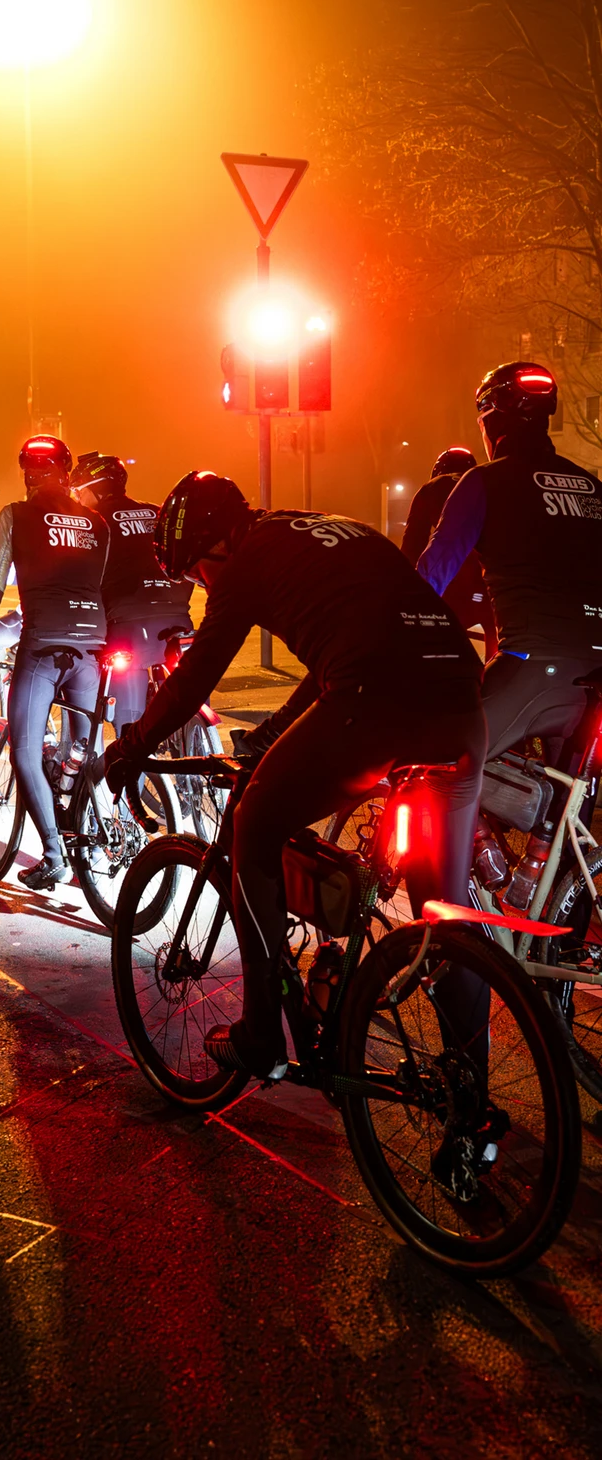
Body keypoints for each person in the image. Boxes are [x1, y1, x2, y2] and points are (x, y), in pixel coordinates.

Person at [104, 471, 485, 1080]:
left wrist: (130, 745)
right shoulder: (330, 530)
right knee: (444, 912)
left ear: (216, 546)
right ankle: (469, 1094)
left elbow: (194, 678)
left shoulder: (247, 561)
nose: (201, 587)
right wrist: (274, 733)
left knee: (254, 822)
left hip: (376, 701)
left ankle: (260, 1034)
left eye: (196, 572)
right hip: (463, 699)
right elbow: (338, 657)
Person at [418, 362, 602, 764]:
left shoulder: (484, 481)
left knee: (442, 765)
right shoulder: (592, 487)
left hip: (534, 666)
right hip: (597, 671)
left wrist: (393, 624)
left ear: (489, 419)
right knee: (561, 806)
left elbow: (433, 573)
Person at [0, 436, 109, 890]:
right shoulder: (97, 523)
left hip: (43, 643)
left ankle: (55, 854)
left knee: (23, 749)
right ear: (65, 472)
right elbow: (94, 583)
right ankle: (96, 839)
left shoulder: (16, 516)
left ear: (28, 475)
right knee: (84, 750)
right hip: (93, 643)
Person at [71, 451, 193, 728]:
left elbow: (77, 576)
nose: (77, 499)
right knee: (189, 690)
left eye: (78, 492)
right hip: (177, 615)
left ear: (95, 490)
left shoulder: (91, 521)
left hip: (126, 624)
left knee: (129, 724)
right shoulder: (157, 511)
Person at [401, 447, 497, 659]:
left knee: (434, 642)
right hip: (490, 582)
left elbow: (412, 543)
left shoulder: (431, 488)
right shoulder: (486, 485)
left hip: (449, 580)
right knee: (495, 642)